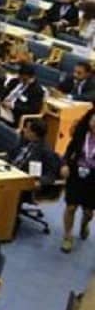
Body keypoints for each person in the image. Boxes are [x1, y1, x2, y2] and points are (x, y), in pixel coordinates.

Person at [58, 107, 95, 253]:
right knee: (71, 206)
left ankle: (84, 224)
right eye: (93, 121)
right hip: (76, 173)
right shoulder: (81, 135)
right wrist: (65, 164)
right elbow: (69, 151)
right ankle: (68, 236)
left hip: (93, 178)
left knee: (88, 211)